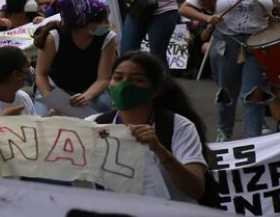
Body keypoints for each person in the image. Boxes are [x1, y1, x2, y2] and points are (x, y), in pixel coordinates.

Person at [179, 0, 280, 140]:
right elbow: (185, 8)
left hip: (259, 47)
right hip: (225, 44)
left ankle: (254, 140)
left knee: (255, 94)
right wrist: (207, 18)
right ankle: (224, 134)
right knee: (226, 93)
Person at [87, 51, 208, 203]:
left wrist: (159, 150)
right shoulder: (94, 125)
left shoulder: (178, 127)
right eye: (118, 78)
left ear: (155, 90)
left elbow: (196, 189)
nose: (124, 86)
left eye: (137, 80)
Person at [33, 0, 116, 116]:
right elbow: (40, 74)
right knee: (43, 119)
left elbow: (103, 79)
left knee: (102, 109)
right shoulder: (54, 37)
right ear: (84, 23)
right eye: (102, 21)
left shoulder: (108, 38)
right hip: (54, 89)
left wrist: (86, 96)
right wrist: (52, 101)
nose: (107, 24)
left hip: (91, 90)